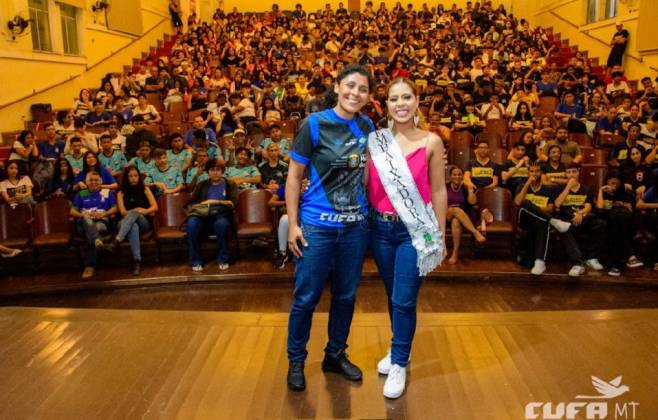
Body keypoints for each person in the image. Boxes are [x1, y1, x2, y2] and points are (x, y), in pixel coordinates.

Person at [286, 64, 375, 392]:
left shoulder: (367, 125)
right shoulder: (313, 124)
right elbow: (294, 177)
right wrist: (293, 225)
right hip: (317, 227)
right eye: (350, 86)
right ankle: (296, 359)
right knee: (306, 297)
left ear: (368, 96)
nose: (355, 93)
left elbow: (367, 175)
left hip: (354, 229)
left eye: (363, 89)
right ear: (337, 87)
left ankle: (335, 354)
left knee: (346, 295)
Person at [367, 78, 447, 399]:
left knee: (403, 298)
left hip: (414, 231)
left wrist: (439, 234)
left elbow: (439, 190)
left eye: (406, 97)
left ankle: (399, 362)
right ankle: (401, 346)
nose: (400, 103)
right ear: (386, 105)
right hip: (380, 229)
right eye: (393, 99)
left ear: (416, 101)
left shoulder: (431, 141)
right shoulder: (375, 140)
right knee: (393, 294)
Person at [514, 162, 572, 274]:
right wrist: (527, 184)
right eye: (532, 171)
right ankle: (554, 221)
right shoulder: (522, 186)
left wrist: (535, 209)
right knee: (524, 203)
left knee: (542, 223)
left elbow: (550, 209)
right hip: (524, 219)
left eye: (537, 171)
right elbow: (517, 202)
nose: (534, 174)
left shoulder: (548, 189)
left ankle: (540, 262)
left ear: (541, 173)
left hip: (539, 220)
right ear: (528, 173)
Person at [554, 163, 607, 276]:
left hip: (583, 218)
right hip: (567, 219)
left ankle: (591, 258)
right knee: (564, 227)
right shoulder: (559, 188)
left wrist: (581, 213)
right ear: (565, 175)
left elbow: (588, 206)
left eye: (574, 172)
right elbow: (557, 204)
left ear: (578, 172)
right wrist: (568, 187)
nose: (572, 174)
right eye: (569, 172)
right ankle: (578, 263)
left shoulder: (586, 189)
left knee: (601, 224)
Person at [186, 158, 234, 272]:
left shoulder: (229, 184)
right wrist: (201, 205)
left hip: (221, 215)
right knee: (192, 223)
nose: (215, 172)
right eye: (212, 169)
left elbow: (233, 203)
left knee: (221, 224)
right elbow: (192, 202)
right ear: (207, 172)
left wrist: (215, 201)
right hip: (203, 216)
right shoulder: (202, 184)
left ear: (222, 171)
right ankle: (196, 260)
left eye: (218, 169)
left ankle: (223, 259)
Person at [108, 166, 158, 276]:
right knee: (133, 226)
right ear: (127, 178)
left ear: (139, 177)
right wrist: (134, 211)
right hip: (125, 222)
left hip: (143, 222)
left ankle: (117, 240)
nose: (133, 178)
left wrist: (142, 211)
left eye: (135, 176)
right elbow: (122, 212)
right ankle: (137, 261)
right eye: (130, 176)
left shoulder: (145, 189)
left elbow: (155, 207)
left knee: (135, 214)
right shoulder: (121, 192)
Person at [70, 171, 118, 279]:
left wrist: (103, 214)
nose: (93, 182)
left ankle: (89, 265)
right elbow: (72, 211)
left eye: (96, 180)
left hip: (102, 221)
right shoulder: (82, 193)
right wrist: (83, 214)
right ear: (86, 182)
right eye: (90, 180)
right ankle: (97, 240)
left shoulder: (107, 192)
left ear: (101, 181)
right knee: (87, 221)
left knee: (92, 232)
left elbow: (115, 208)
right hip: (84, 223)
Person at [595, 173, 637, 276]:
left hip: (621, 221)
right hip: (608, 221)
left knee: (619, 222)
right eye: (611, 181)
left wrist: (618, 200)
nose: (614, 184)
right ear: (607, 182)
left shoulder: (625, 193)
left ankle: (618, 264)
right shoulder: (603, 193)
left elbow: (630, 211)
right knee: (614, 226)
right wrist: (600, 191)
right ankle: (627, 256)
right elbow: (600, 207)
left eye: (616, 182)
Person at [445, 166, 486, 264]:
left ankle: (455, 253)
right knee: (455, 210)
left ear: (462, 176)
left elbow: (472, 202)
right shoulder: (445, 187)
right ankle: (475, 232)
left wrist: (471, 189)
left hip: (462, 218)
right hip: (446, 215)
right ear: (450, 176)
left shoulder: (464, 188)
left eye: (459, 174)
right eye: (454, 174)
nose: (457, 176)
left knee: (456, 221)